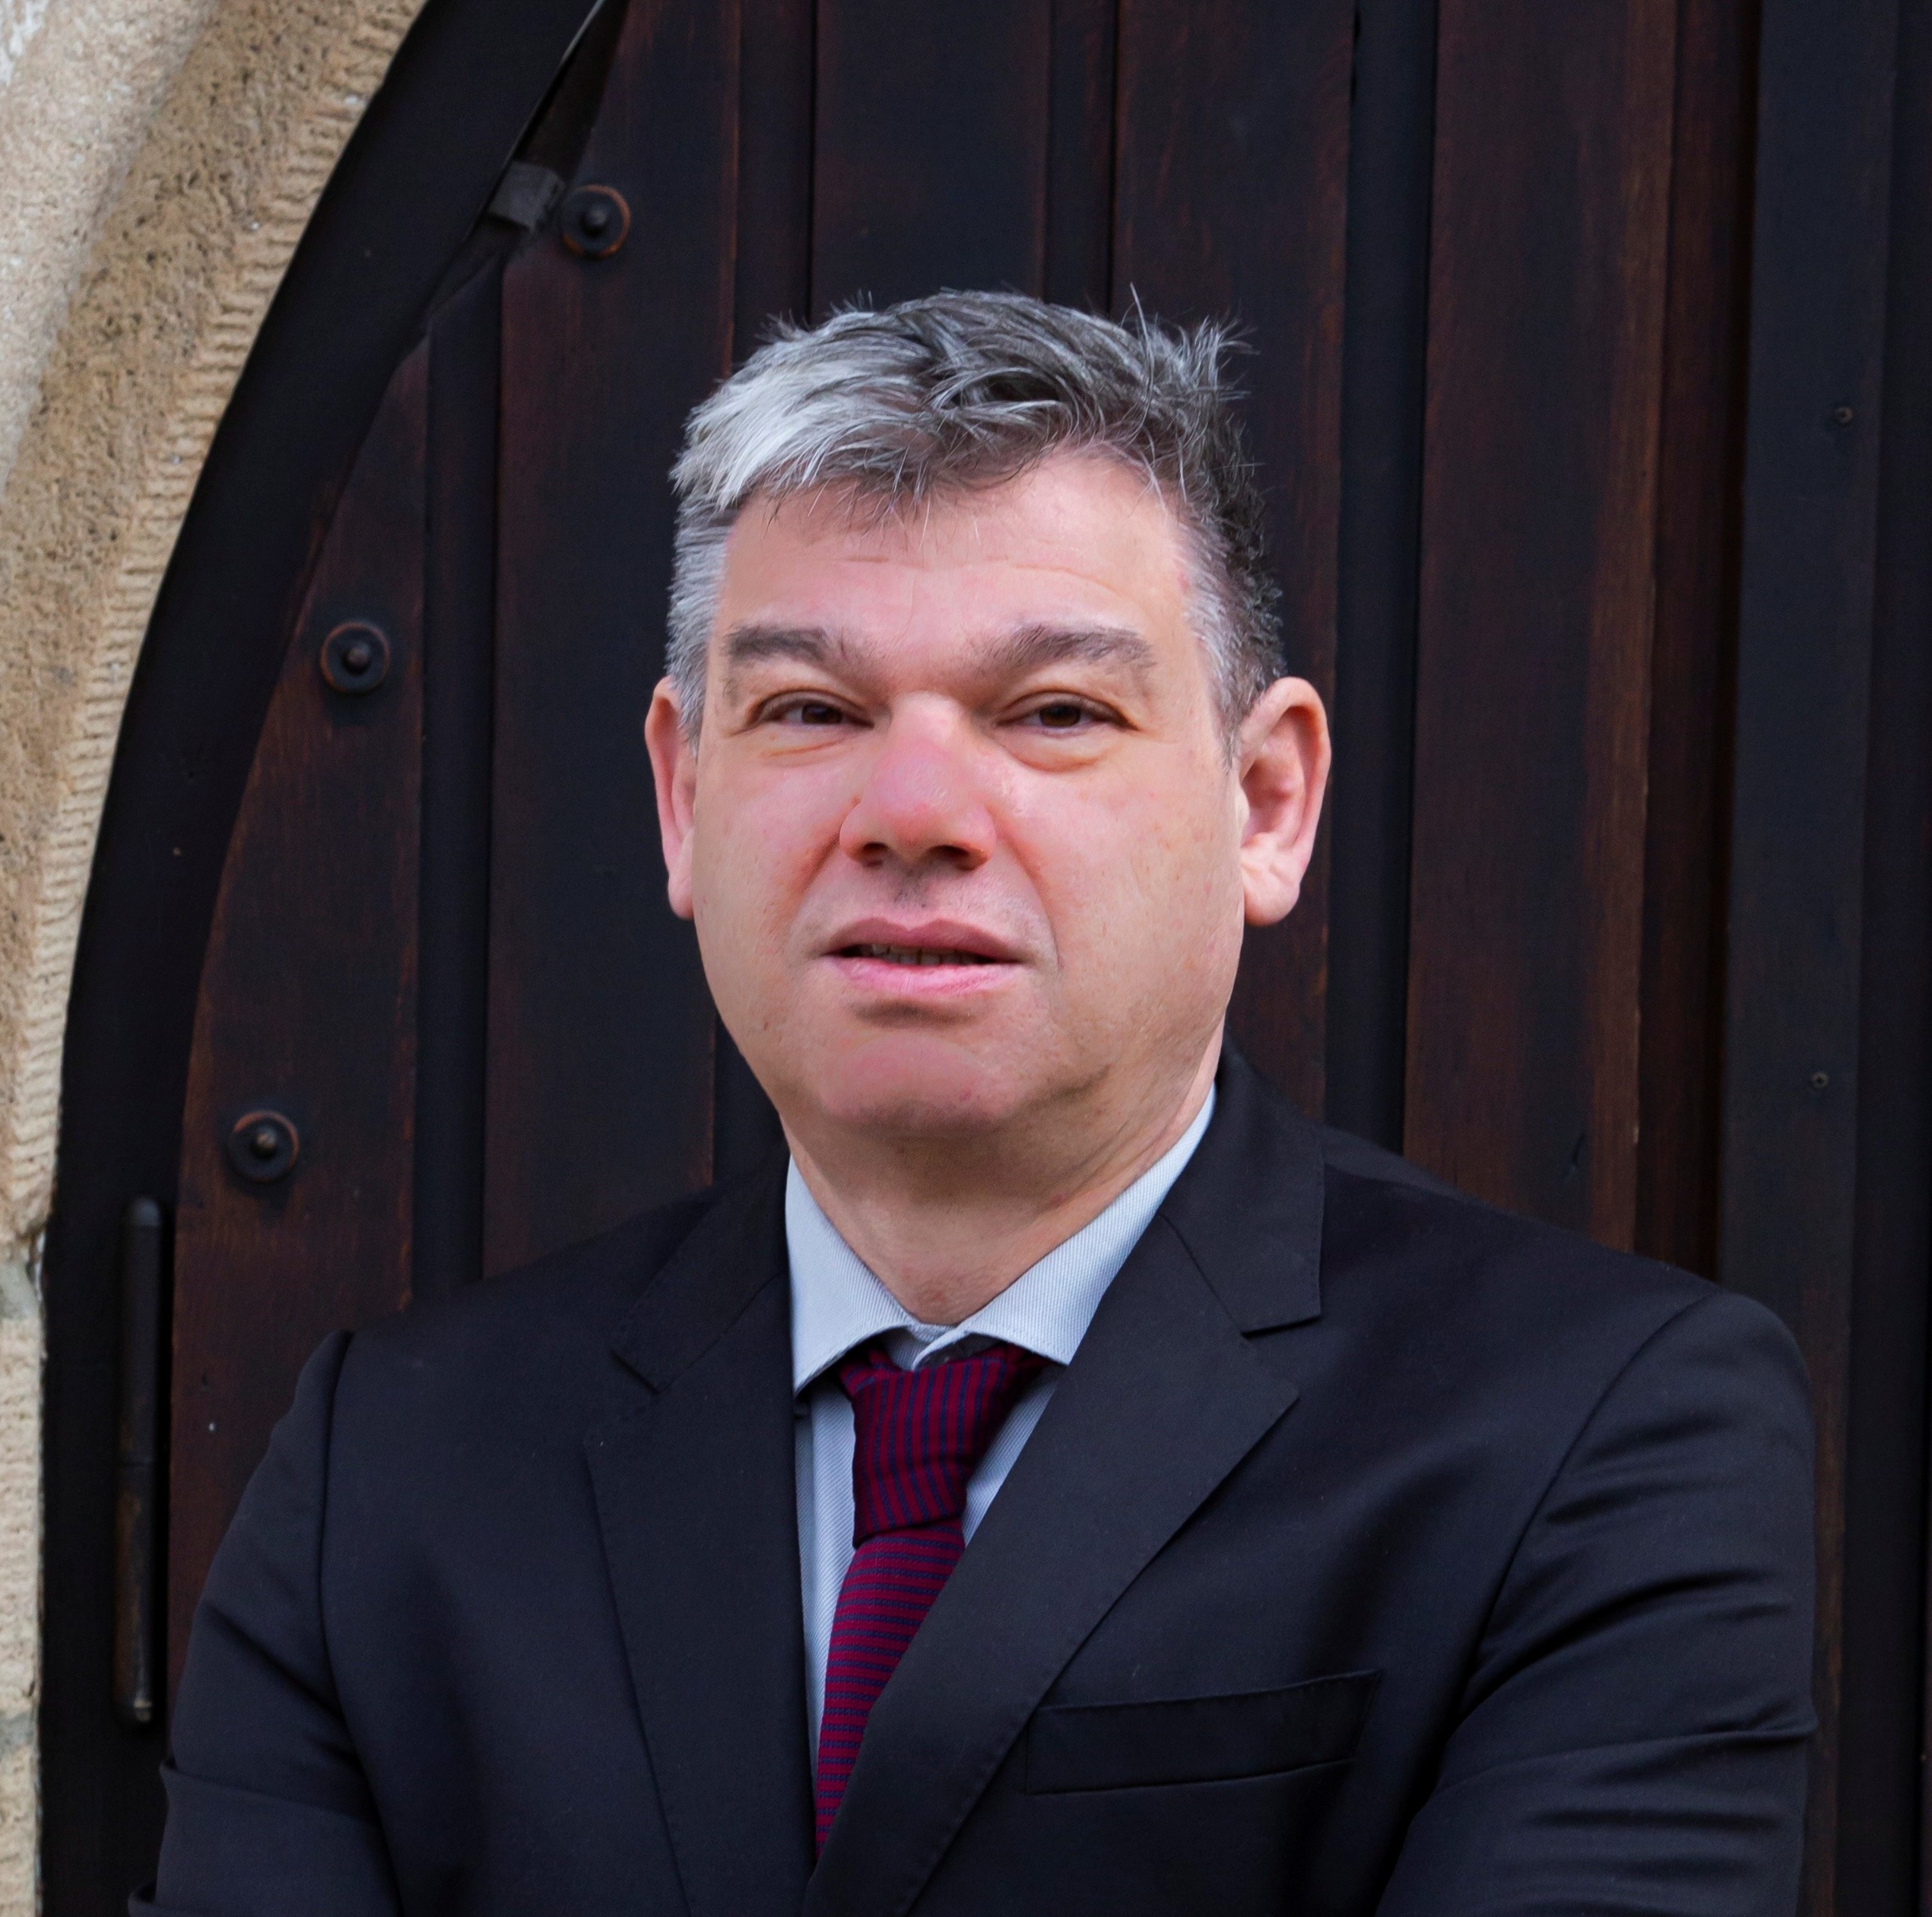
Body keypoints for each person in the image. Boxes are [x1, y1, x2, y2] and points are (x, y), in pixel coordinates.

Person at [138, 292, 1814, 1915]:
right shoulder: (393, 1472)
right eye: (810, 710)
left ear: (1263, 801)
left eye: (1053, 712)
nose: (913, 810)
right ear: (683, 793)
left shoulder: (1592, 1432)